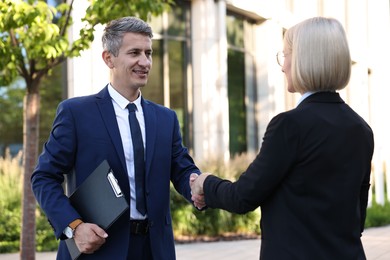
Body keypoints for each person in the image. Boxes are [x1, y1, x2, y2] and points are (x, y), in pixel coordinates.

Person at [190, 17, 374, 259]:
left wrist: (205, 183)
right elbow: (357, 217)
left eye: (286, 55)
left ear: (303, 59)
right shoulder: (362, 129)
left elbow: (243, 197)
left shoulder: (289, 125)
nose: (283, 65)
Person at [31, 16, 201, 260]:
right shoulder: (76, 113)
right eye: (134, 53)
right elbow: (44, 177)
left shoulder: (166, 118)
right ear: (108, 58)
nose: (145, 62)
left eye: (148, 53)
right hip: (97, 250)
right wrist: (75, 227)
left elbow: (182, 170)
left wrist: (197, 184)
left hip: (155, 250)